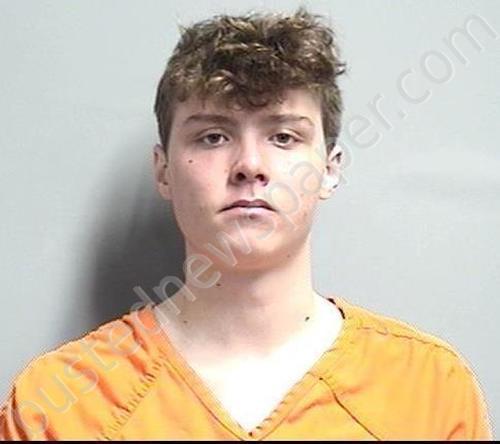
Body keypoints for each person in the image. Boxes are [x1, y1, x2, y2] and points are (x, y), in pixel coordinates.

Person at [0, 7, 493, 441]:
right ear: (163, 171)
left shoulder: (429, 388)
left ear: (330, 169)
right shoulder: (59, 404)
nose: (250, 165)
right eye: (213, 137)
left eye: (284, 137)